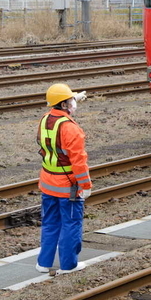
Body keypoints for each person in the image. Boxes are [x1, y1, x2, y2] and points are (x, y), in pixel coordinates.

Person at [35, 84, 91, 275]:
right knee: (71, 224)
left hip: (47, 183)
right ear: (66, 104)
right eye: (71, 101)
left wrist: (74, 96)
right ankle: (68, 265)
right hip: (68, 188)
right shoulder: (71, 129)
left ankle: (43, 263)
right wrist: (86, 185)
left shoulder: (44, 120)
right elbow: (78, 162)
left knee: (50, 223)